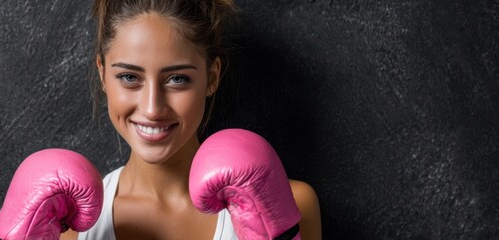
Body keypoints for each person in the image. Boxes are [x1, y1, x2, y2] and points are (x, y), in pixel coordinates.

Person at [61, 0, 322, 239]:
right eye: (129, 77)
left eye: (177, 79)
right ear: (103, 74)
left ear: (212, 78)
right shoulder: (69, 225)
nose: (153, 108)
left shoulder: (293, 204)